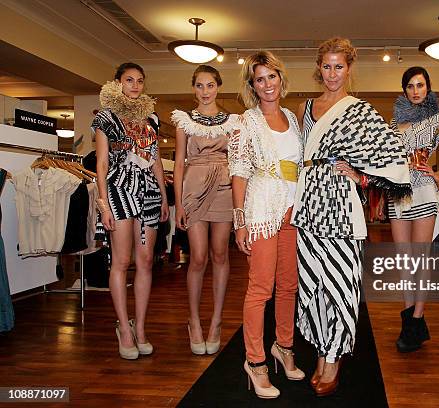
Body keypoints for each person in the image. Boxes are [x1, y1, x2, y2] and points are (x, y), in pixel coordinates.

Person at [293, 37, 412, 396]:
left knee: (341, 282)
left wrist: (361, 176)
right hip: (308, 201)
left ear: (349, 69)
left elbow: (394, 158)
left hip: (341, 204)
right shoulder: (305, 107)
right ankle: (320, 348)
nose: (332, 73)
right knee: (312, 281)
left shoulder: (359, 110)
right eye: (326, 66)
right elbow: (300, 154)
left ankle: (333, 357)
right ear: (319, 68)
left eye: (339, 66)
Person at [228, 51, 305, 399]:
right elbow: (239, 172)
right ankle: (255, 361)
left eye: (272, 76)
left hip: (293, 211)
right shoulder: (246, 122)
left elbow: (302, 165)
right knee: (261, 289)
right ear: (253, 86)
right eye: (260, 79)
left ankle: (283, 347)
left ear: (280, 78)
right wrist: (240, 221)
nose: (267, 84)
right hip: (261, 210)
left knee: (289, 286)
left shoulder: (292, 116)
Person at [93, 62, 169, 360]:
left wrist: (164, 196)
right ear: (117, 82)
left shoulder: (151, 118)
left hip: (148, 189)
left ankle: (140, 328)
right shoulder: (106, 117)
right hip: (119, 188)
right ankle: (123, 328)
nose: (135, 85)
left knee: (146, 260)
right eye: (129, 80)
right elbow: (101, 163)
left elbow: (156, 159)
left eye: (139, 80)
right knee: (122, 260)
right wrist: (103, 204)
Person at [389, 66, 439, 352]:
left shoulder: (435, 119)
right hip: (398, 194)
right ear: (404, 90)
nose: (415, 91)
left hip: (423, 190)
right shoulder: (393, 124)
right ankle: (411, 322)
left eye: (420, 85)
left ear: (428, 87)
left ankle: (417, 318)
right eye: (410, 86)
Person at [171, 65, 240, 355]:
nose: (205, 91)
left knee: (220, 255)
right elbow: (177, 164)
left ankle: (216, 322)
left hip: (225, 187)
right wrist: (177, 204)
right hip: (194, 189)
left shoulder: (234, 121)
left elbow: (238, 163)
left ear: (218, 86)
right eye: (199, 86)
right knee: (197, 257)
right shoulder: (184, 121)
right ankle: (194, 321)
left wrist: (240, 203)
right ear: (193, 89)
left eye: (210, 85)